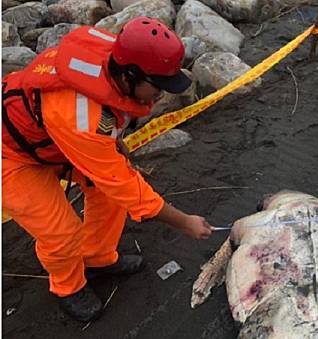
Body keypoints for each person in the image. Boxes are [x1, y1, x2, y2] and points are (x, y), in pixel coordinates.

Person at [2, 17, 214, 322]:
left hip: (52, 141)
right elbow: (130, 189)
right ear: (130, 75)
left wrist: (114, 142)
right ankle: (67, 287)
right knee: (62, 232)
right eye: (158, 86)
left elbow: (104, 129)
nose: (162, 96)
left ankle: (97, 259)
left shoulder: (115, 60)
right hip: (11, 156)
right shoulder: (81, 118)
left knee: (107, 194)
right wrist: (184, 223)